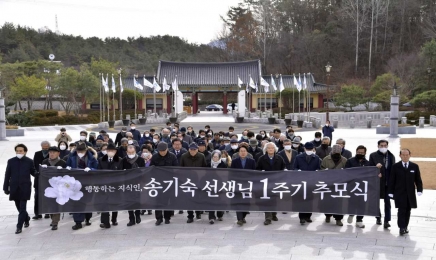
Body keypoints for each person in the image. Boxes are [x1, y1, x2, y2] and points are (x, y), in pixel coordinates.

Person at [388, 149, 423, 235]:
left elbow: (418, 180)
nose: (405, 156)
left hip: (410, 193)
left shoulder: (414, 166)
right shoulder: (395, 166)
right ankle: (401, 227)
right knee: (401, 210)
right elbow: (392, 180)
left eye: (407, 155)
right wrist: (390, 191)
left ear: (410, 155)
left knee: (408, 210)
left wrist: (419, 190)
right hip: (399, 193)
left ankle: (405, 226)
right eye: (403, 155)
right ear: (400, 155)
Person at [3, 144, 36, 234]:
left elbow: (33, 172)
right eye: (17, 151)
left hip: (25, 187)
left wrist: (38, 173)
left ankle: (19, 226)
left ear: (25, 151)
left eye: (21, 151)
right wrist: (5, 187)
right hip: (14, 187)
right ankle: (26, 218)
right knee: (18, 206)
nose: (19, 152)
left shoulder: (29, 161)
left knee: (22, 207)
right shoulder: (11, 161)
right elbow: (7, 175)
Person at [66, 143, 98, 230]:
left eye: (82, 151)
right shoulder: (71, 157)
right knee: (76, 202)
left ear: (86, 150)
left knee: (87, 201)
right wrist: (68, 168)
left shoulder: (91, 158)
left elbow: (97, 168)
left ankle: (87, 218)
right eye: (78, 151)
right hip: (75, 183)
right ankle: (78, 222)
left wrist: (91, 169)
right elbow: (67, 166)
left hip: (88, 182)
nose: (80, 152)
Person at [256, 142, 286, 225]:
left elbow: (283, 168)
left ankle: (274, 214)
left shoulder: (279, 158)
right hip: (266, 183)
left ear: (275, 149)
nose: (270, 149)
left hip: (276, 182)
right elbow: (257, 169)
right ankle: (268, 218)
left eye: (272, 148)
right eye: (269, 148)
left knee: (275, 199)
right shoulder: (261, 158)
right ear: (266, 149)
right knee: (267, 200)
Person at [150, 142, 178, 225]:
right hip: (158, 182)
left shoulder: (172, 156)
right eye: (160, 151)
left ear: (167, 149)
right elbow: (151, 168)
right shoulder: (155, 156)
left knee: (167, 200)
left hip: (169, 182)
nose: (162, 152)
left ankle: (167, 217)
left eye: (164, 151)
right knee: (158, 201)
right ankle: (159, 218)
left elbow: (176, 168)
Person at [293, 142, 321, 224]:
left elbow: (319, 168)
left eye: (311, 149)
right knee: (302, 200)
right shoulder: (298, 157)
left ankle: (308, 216)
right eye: (308, 149)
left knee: (310, 200)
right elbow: (294, 168)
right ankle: (302, 217)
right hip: (301, 182)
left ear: (313, 149)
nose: (309, 150)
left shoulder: (316, 158)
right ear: (305, 149)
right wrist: (298, 171)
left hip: (312, 182)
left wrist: (317, 172)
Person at [369, 139, 395, 228]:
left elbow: (393, 170)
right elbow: (370, 168)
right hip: (377, 182)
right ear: (378, 146)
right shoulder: (373, 155)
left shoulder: (391, 156)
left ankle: (387, 220)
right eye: (381, 146)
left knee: (387, 202)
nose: (383, 147)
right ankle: (378, 217)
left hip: (388, 183)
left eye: (385, 146)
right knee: (376, 201)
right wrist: (376, 170)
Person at [40, 146, 67, 231]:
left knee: (56, 205)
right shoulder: (45, 161)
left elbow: (66, 175)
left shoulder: (62, 162)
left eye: (54, 152)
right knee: (50, 204)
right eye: (50, 152)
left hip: (58, 188)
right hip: (47, 187)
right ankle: (53, 219)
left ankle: (55, 222)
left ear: (58, 153)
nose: (51, 154)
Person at [180, 143, 207, 223]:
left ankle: (198, 212)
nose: (192, 151)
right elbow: (181, 168)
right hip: (188, 181)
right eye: (191, 150)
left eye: (194, 150)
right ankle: (190, 216)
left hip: (199, 179)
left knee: (198, 197)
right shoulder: (184, 156)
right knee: (189, 199)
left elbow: (204, 167)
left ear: (197, 150)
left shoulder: (201, 156)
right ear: (189, 149)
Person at [321, 145, 348, 226]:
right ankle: (328, 215)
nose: (336, 154)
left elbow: (347, 172)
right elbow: (321, 169)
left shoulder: (344, 160)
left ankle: (338, 219)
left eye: (338, 153)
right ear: (332, 151)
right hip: (328, 184)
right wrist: (325, 171)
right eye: (335, 152)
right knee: (327, 201)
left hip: (340, 185)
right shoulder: (326, 159)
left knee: (339, 202)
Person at [344, 145, 370, 228]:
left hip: (363, 186)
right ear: (356, 152)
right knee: (352, 202)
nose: (360, 154)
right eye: (359, 152)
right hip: (352, 185)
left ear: (365, 153)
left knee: (362, 204)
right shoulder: (350, 161)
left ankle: (359, 220)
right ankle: (351, 214)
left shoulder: (367, 163)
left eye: (362, 153)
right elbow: (346, 172)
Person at [231, 143, 256, 226]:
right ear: (238, 152)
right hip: (238, 184)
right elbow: (232, 173)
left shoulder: (252, 161)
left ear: (247, 152)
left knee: (247, 203)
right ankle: (240, 219)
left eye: (244, 151)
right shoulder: (234, 161)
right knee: (238, 202)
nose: (242, 152)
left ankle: (243, 216)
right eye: (241, 151)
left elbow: (254, 173)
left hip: (248, 185)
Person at [98, 143, 122, 229]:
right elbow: (98, 172)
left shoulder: (119, 160)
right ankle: (105, 222)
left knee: (114, 203)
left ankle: (114, 219)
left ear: (115, 151)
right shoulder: (101, 159)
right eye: (109, 150)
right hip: (104, 185)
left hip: (115, 186)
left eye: (112, 150)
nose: (111, 152)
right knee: (104, 204)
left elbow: (122, 173)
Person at [122, 145, 146, 226]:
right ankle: (131, 219)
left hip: (138, 183)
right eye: (129, 152)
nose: (131, 154)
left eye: (132, 152)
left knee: (137, 200)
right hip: (127, 183)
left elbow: (144, 171)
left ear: (135, 151)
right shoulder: (123, 160)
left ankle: (138, 215)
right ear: (126, 152)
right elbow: (119, 171)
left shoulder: (140, 160)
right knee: (129, 202)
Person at [33, 140, 50, 220]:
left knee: (47, 196)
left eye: (47, 148)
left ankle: (47, 212)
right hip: (38, 178)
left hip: (48, 179)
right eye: (44, 148)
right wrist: (36, 172)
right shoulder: (37, 154)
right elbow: (34, 165)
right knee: (37, 196)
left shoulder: (51, 154)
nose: (45, 149)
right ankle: (37, 213)